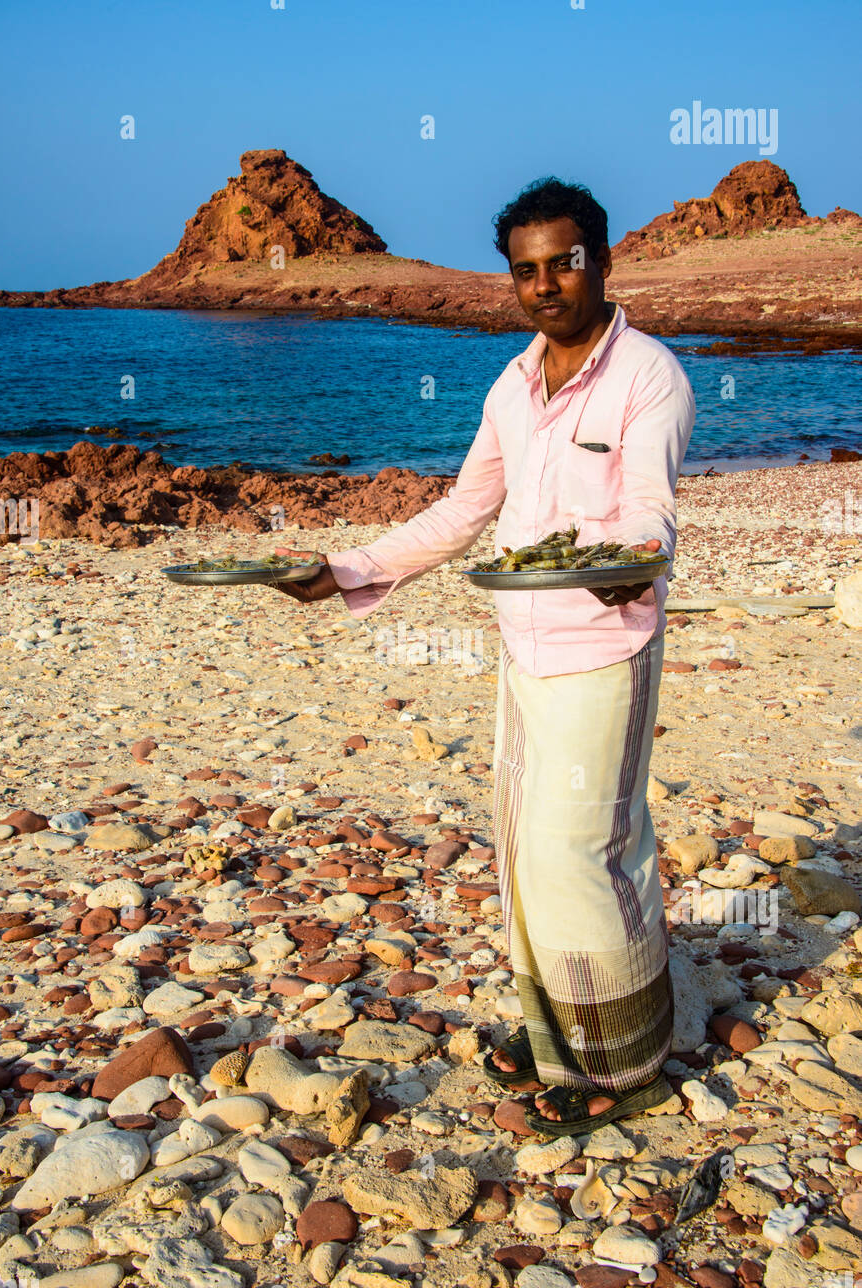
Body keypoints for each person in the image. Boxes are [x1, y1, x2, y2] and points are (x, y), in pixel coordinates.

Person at [271, 177, 696, 1136]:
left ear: (600, 260)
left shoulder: (649, 377)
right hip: (522, 649)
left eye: (562, 263)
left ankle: (625, 1063)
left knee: (581, 849)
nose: (545, 286)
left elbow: (647, 514)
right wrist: (347, 568)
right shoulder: (512, 384)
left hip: (604, 649)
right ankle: (555, 1038)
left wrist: (636, 564)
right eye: (525, 271)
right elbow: (466, 510)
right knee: (522, 852)